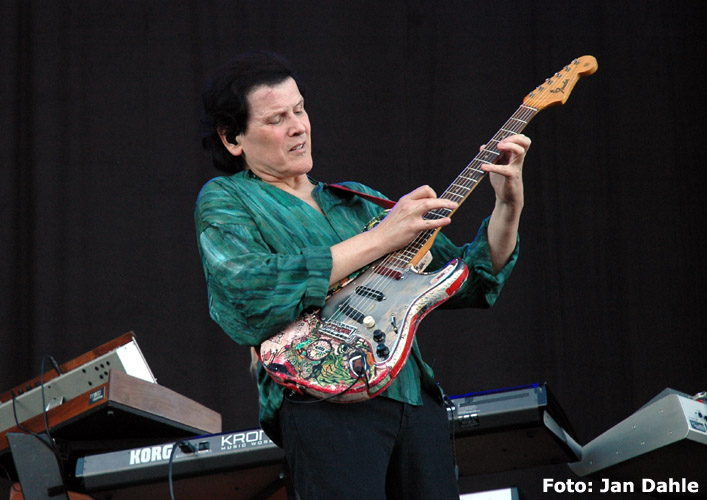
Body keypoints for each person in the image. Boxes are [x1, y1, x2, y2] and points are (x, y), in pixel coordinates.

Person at [195, 51, 530, 500]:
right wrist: (381, 238)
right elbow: (246, 287)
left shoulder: (359, 201)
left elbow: (470, 279)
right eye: (277, 118)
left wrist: (507, 204)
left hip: (413, 398)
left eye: (300, 110)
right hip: (322, 399)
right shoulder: (227, 199)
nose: (298, 127)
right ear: (232, 138)